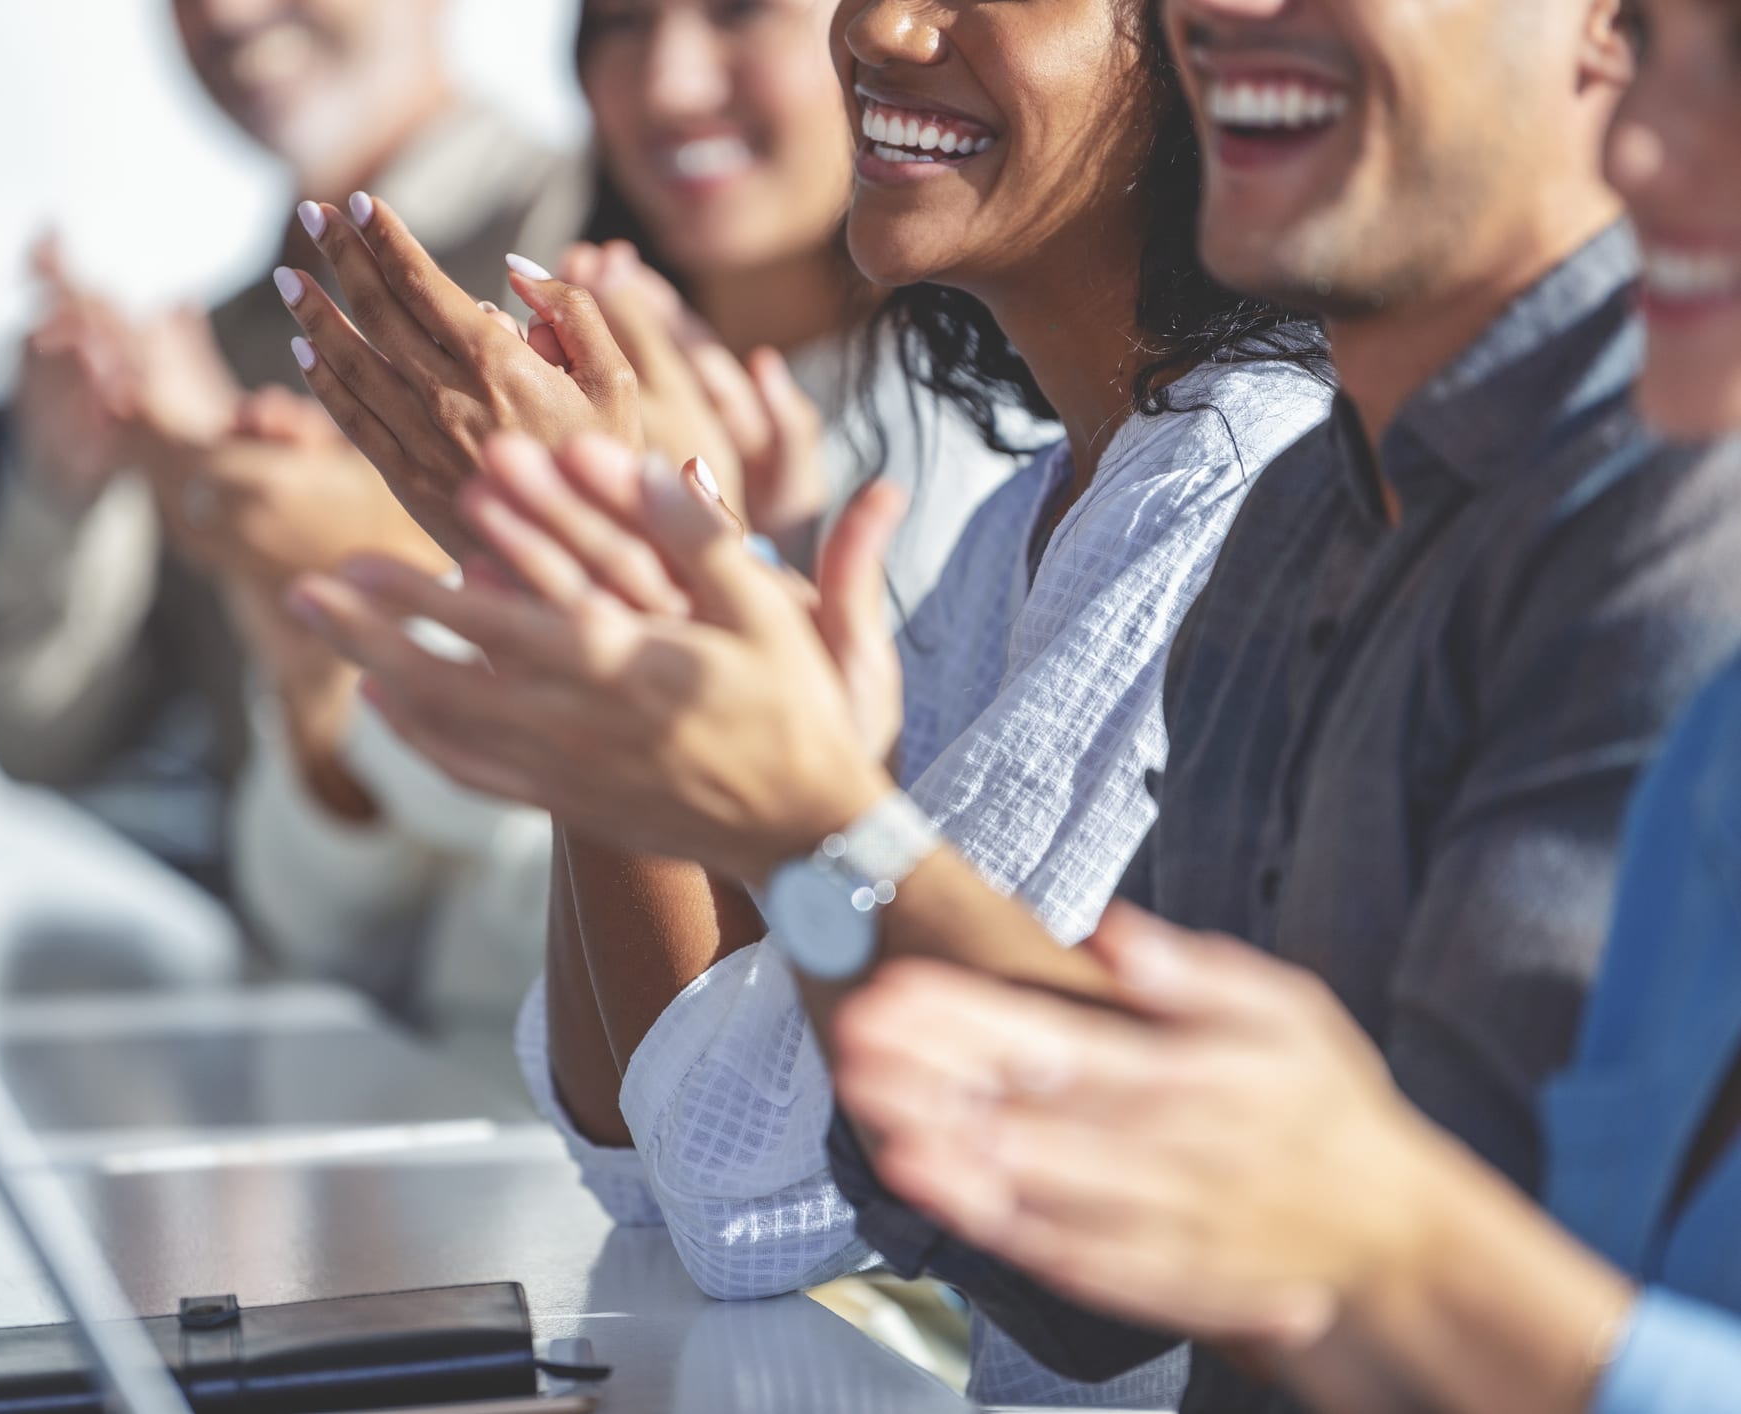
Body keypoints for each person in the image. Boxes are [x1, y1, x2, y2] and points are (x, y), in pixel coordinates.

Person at [276, 0, 1741, 1407]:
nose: (880, 28)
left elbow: (762, 1186)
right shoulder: (1301, 498)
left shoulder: (1363, 489)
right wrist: (658, 677)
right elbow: (1054, 1244)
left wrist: (780, 795)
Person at [832, 0, 1741, 1408]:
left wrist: (805, 819)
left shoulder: (1678, 512)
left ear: (1602, 30)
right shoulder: (1291, 508)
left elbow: (1410, 1274)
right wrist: (771, 828)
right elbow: (1077, 1256)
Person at [0, 0, 583, 1037]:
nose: (227, 14)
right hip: (309, 1046)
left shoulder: (600, 228)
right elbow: (32, 732)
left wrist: (227, 482)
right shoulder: (229, 335)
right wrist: (74, 476)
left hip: (552, 1042)